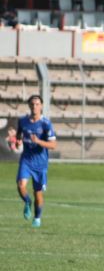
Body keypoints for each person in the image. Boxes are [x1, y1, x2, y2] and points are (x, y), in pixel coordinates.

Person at [17, 95, 57, 228]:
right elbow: (19, 135)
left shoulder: (46, 124)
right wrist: (17, 142)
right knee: (20, 185)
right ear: (29, 105)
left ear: (41, 106)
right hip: (26, 159)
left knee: (38, 193)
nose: (35, 106)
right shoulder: (22, 121)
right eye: (32, 104)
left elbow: (53, 145)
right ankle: (27, 202)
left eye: (37, 104)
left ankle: (37, 218)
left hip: (40, 163)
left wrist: (38, 141)